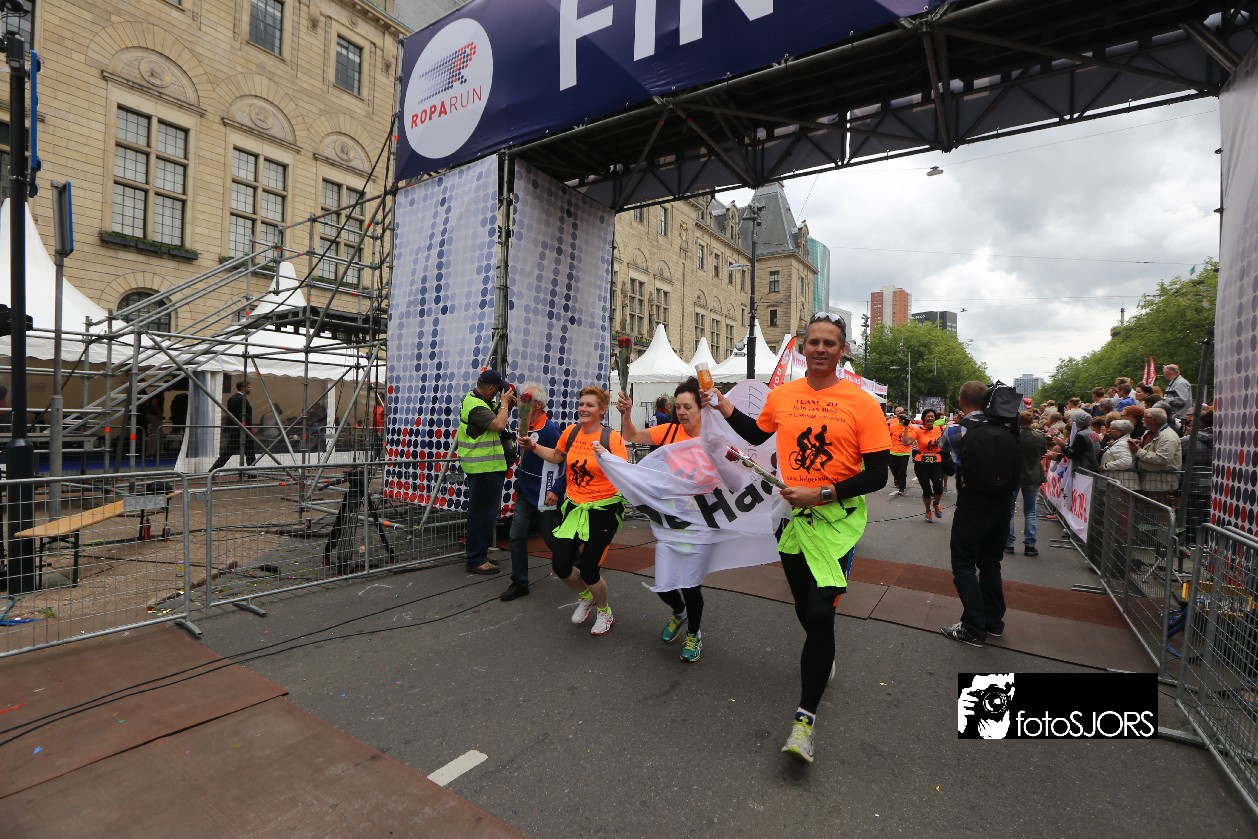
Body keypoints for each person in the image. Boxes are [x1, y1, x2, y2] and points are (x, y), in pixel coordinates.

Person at [705, 312, 890, 764]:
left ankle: (804, 722)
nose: (821, 348)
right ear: (804, 348)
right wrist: (723, 405)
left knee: (819, 613)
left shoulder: (863, 403)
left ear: (842, 351)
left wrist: (821, 493)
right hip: (792, 519)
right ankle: (823, 651)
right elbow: (757, 432)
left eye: (830, 343)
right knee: (805, 609)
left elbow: (877, 475)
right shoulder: (784, 395)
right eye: (814, 342)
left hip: (836, 523)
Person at [521, 386, 628, 636]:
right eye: (581, 404)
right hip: (574, 507)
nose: (583, 408)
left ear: (602, 410)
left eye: (590, 405)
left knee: (589, 569)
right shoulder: (570, 432)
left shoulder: (611, 438)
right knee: (561, 565)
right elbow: (556, 457)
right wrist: (532, 446)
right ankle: (587, 596)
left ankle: (605, 611)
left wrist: (607, 457)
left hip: (603, 509)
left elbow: (625, 471)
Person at [618, 377, 708, 662]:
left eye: (687, 407)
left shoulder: (713, 437)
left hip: (699, 520)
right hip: (668, 519)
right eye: (678, 406)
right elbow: (632, 435)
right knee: (665, 582)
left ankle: (694, 633)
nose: (681, 412)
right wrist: (625, 414)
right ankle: (679, 613)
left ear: (701, 408)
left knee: (691, 583)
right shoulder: (669, 431)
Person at [938, 381, 1018, 648]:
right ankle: (994, 621)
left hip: (972, 503)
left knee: (963, 565)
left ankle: (973, 627)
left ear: (961, 401)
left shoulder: (955, 430)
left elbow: (943, 453)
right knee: (990, 563)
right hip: (1002, 503)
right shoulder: (1006, 426)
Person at [501, 385, 566, 602]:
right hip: (525, 492)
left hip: (545, 493)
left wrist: (556, 490)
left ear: (538, 404)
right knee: (516, 535)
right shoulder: (523, 426)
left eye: (525, 400)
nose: (520, 403)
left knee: (551, 537)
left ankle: (580, 566)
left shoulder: (550, 430)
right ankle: (520, 582)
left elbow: (565, 462)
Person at [457, 369, 517, 575]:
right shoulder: (475, 406)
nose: (500, 394)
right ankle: (476, 560)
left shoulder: (480, 401)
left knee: (486, 513)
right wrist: (504, 404)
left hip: (488, 467)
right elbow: (499, 425)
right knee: (481, 514)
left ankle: (480, 554)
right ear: (491, 388)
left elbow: (496, 417)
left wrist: (507, 405)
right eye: (498, 390)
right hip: (483, 468)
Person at [1005, 412, 1047, 556]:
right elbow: (1043, 452)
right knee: (1030, 511)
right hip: (1033, 475)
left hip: (1014, 476)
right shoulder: (1039, 436)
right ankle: (1030, 545)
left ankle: (1009, 543)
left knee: (1010, 511)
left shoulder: (1012, 436)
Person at [1131, 406, 1181, 506]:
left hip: (1159, 483)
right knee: (1150, 510)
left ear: (1152, 420)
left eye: (1144, 417)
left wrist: (1138, 451)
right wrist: (1140, 443)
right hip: (1151, 480)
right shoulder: (1151, 432)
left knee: (1158, 511)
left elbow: (1162, 458)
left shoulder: (1167, 437)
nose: (1142, 419)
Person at [902, 408, 945, 522]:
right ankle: (928, 511)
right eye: (928, 416)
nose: (930, 418)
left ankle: (936, 503)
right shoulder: (918, 430)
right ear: (924, 418)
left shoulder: (940, 429)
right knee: (926, 490)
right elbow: (906, 442)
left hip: (936, 462)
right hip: (921, 462)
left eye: (932, 416)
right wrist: (906, 427)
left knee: (938, 488)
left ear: (935, 418)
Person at [211, 380, 257, 472]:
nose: (250, 389)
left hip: (236, 430)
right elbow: (242, 417)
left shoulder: (232, 398)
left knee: (228, 452)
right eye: (248, 387)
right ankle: (252, 472)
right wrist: (246, 427)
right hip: (242, 430)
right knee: (250, 452)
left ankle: (213, 470)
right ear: (243, 388)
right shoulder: (241, 399)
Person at [1099, 419, 1140, 490]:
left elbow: (1126, 461)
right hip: (1119, 484)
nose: (1108, 430)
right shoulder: (1120, 442)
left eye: (1113, 429)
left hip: (1122, 485)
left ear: (1121, 431)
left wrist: (1105, 466)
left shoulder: (1122, 444)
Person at [886, 405, 911, 498]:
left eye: (904, 418)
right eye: (901, 418)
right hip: (893, 451)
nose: (902, 420)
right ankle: (896, 478)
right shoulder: (893, 426)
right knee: (894, 469)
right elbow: (887, 437)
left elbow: (912, 439)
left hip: (905, 452)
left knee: (902, 471)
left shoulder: (910, 427)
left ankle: (902, 488)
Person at [141, 391, 164, 459]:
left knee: (158, 434)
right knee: (154, 434)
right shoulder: (159, 393)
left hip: (150, 415)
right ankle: (150, 453)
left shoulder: (154, 392)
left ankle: (159, 451)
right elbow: (154, 403)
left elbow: (146, 402)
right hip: (154, 416)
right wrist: (159, 414)